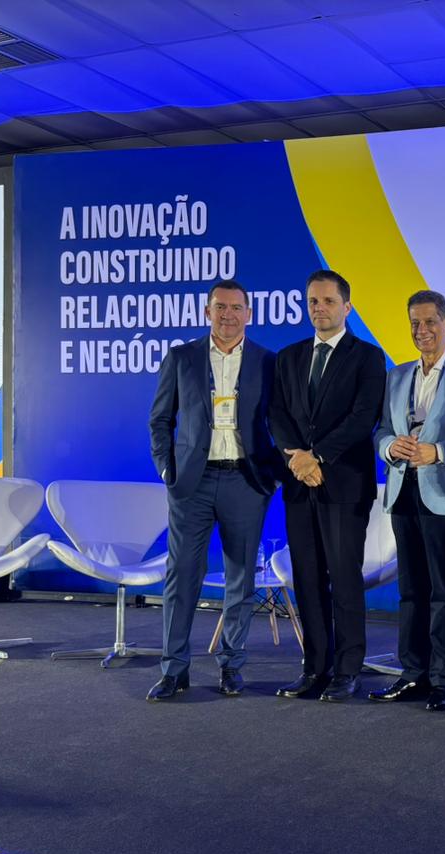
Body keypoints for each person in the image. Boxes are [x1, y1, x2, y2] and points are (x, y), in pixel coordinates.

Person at [147, 279, 279, 701]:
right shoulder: (181, 358)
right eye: (220, 307)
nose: (228, 315)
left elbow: (281, 423)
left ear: (249, 314)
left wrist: (274, 475)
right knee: (182, 576)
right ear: (207, 312)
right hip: (192, 484)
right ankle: (174, 670)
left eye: (236, 308)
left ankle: (232, 664)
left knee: (241, 578)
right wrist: (167, 469)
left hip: (246, 482)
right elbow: (160, 420)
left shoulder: (267, 362)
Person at [268, 269, 386, 702]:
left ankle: (348, 670)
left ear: (347, 307)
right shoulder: (289, 357)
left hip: (344, 485)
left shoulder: (367, 357)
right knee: (307, 578)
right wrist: (296, 460)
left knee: (345, 578)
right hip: (300, 485)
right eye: (313, 301)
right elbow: (277, 414)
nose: (319, 308)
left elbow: (363, 417)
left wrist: (316, 456)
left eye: (328, 301)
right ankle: (314, 668)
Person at [370, 290, 445, 712]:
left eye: (430, 321)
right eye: (415, 323)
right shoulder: (396, 376)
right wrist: (389, 447)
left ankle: (443, 679)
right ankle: (412, 673)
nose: (422, 330)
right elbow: (381, 429)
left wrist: (439, 452)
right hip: (403, 491)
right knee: (411, 590)